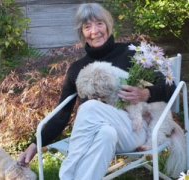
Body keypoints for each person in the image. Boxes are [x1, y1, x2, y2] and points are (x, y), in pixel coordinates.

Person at [18, 3, 176, 179]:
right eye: (87, 26)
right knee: (105, 133)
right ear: (82, 33)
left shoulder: (131, 52)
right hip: (104, 136)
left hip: (135, 129)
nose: (95, 31)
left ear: (108, 25)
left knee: (89, 107)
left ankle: (67, 172)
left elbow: (170, 87)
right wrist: (35, 144)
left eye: (99, 23)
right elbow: (61, 115)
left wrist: (147, 93)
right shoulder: (77, 69)